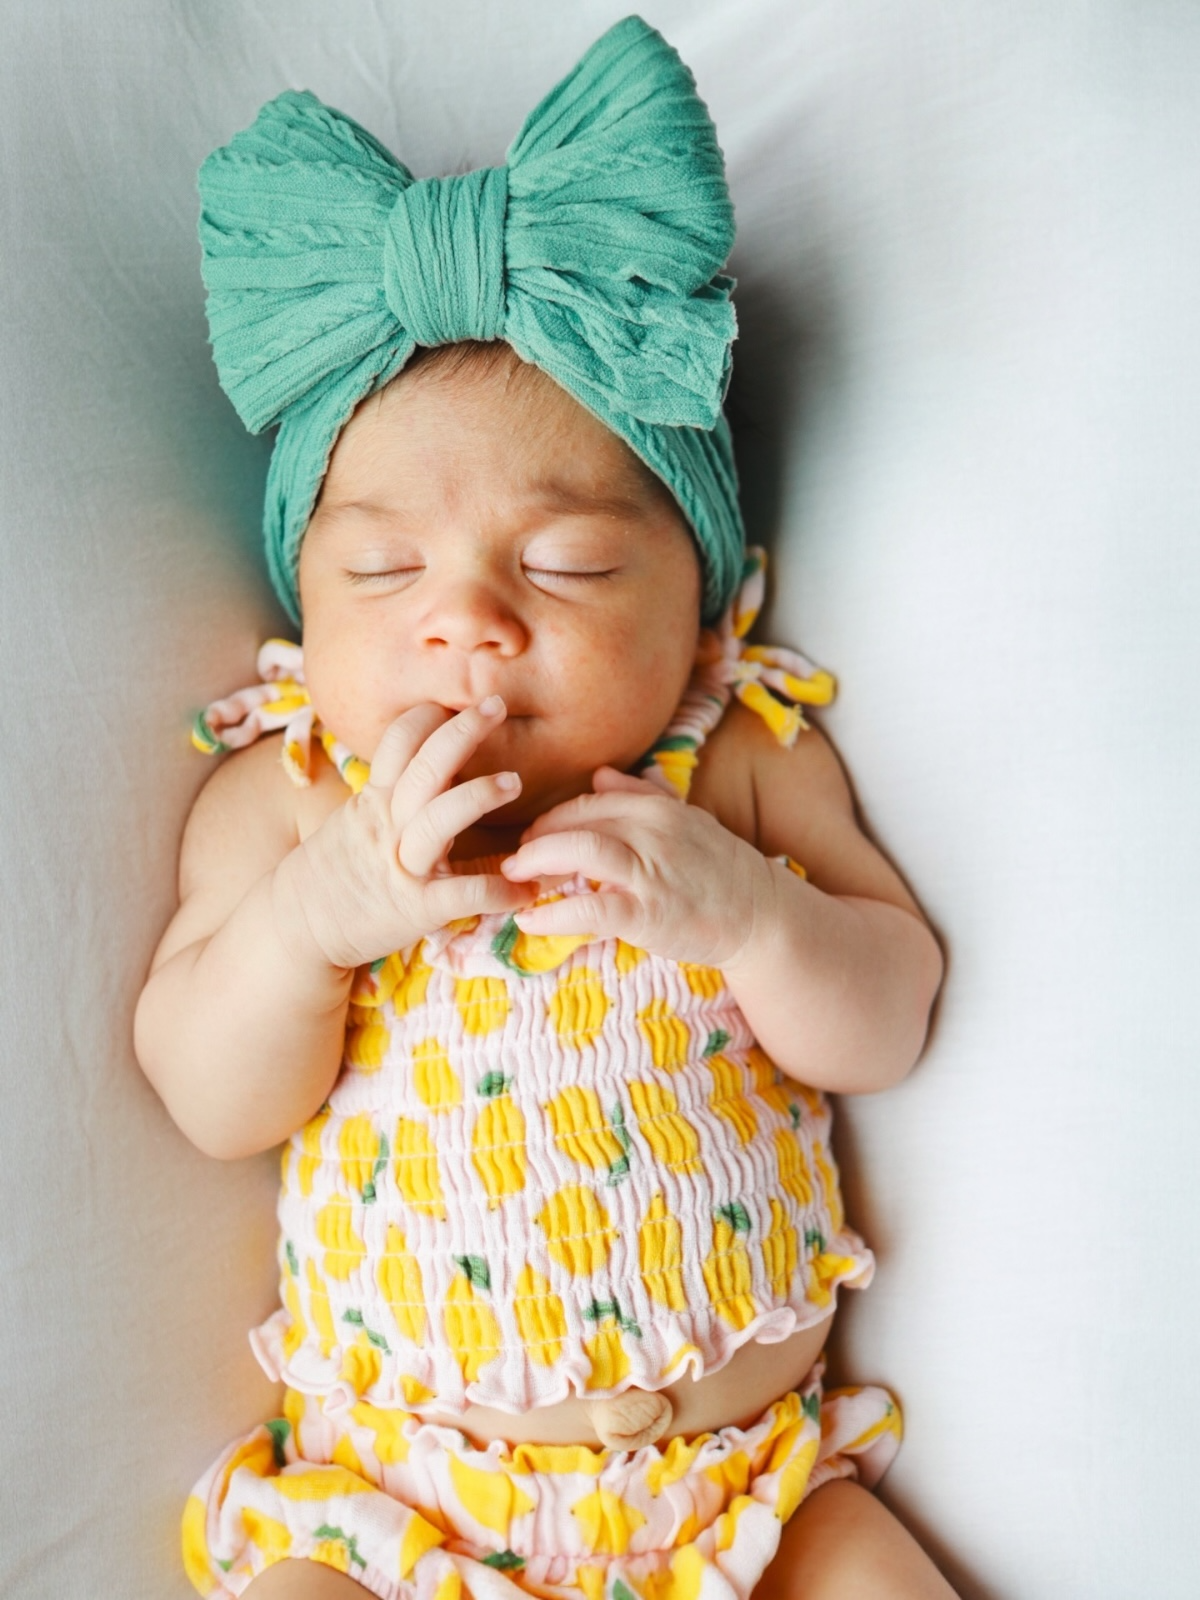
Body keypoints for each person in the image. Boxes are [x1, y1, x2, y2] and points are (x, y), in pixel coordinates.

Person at [135, 16, 956, 1599]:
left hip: (755, 1501)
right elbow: (207, 1091)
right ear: (303, 616)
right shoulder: (298, 799)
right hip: (402, 1518)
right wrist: (321, 923)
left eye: (570, 566)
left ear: (703, 610)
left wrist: (755, 914)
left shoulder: (737, 762)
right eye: (385, 573)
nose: (468, 622)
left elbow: (890, 1016)